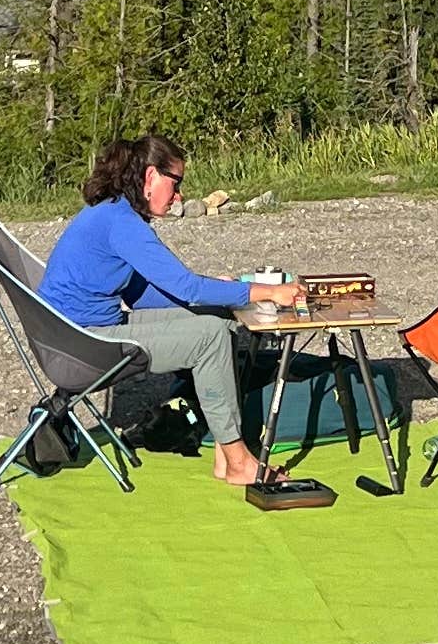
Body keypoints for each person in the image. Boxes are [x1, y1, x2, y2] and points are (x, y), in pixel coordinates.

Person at [37, 131, 298, 487]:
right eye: (176, 184)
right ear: (150, 176)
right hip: (85, 346)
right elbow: (187, 287)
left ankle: (228, 455)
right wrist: (266, 292)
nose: (180, 195)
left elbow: (142, 294)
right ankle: (238, 461)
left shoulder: (113, 212)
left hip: (71, 337)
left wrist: (220, 295)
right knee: (209, 337)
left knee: (217, 321)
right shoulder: (122, 223)